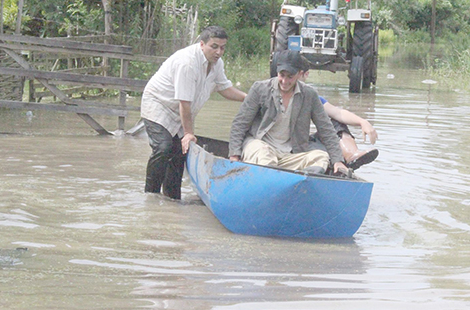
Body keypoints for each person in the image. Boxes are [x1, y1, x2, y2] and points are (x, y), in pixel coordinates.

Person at [140, 26, 247, 200]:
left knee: (179, 153)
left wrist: (248, 99)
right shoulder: (187, 63)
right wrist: (189, 133)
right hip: (158, 105)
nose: (219, 52)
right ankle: (150, 196)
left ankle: (172, 199)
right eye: (214, 46)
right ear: (202, 44)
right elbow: (184, 103)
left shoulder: (216, 63)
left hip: (179, 112)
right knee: (163, 147)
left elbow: (224, 88)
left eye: (222, 47)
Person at [228, 50, 348, 175]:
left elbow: (326, 129)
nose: (285, 81)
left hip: (290, 154)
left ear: (299, 74)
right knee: (263, 153)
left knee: (321, 156)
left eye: (290, 77)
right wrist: (234, 155)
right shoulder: (260, 89)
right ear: (277, 72)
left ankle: (299, 181)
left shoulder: (309, 95)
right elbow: (240, 124)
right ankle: (272, 177)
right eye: (282, 75)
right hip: (261, 147)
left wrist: (337, 160)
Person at [298, 65, 379, 170]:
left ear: (305, 74)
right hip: (290, 145)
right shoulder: (276, 91)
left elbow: (337, 113)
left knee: (336, 123)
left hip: (306, 142)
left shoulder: (311, 96)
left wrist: (362, 121)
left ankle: (351, 155)